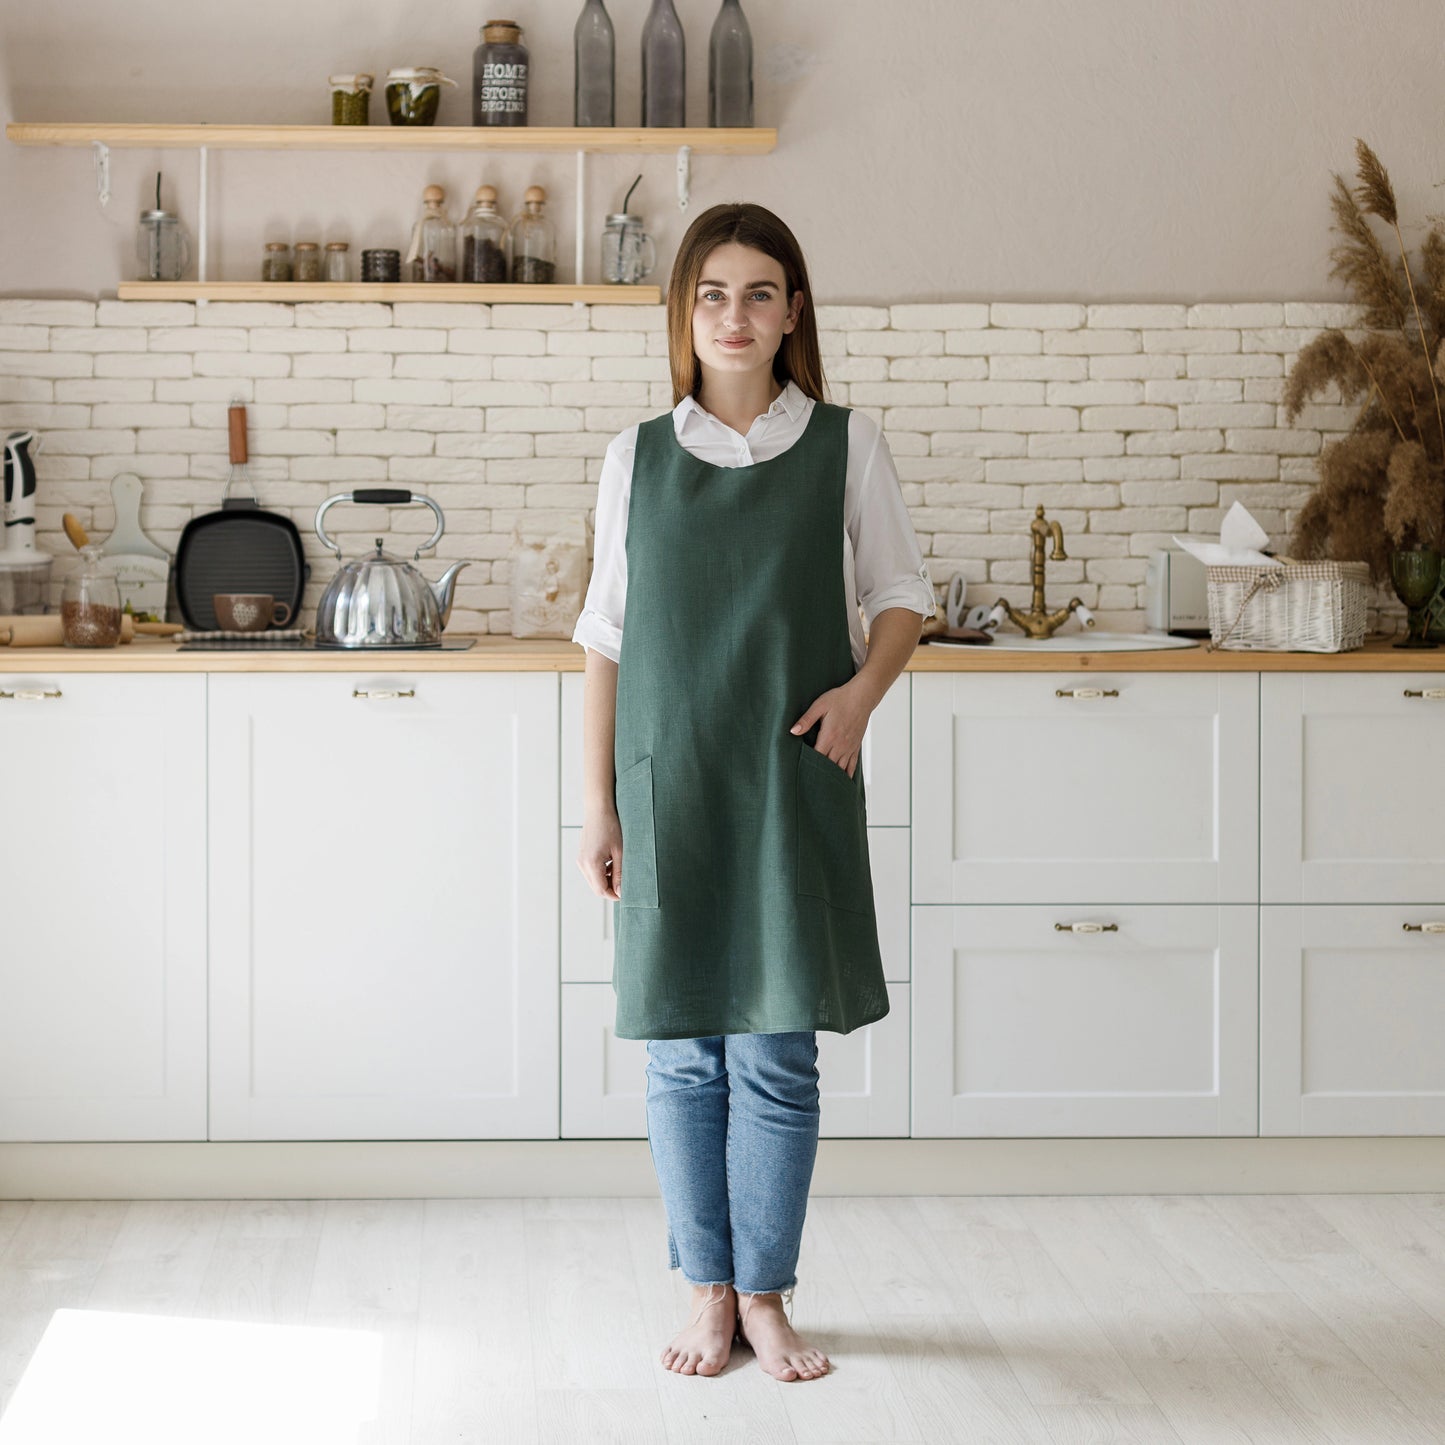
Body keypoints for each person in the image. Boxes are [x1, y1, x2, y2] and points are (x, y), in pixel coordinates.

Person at [572, 202, 936, 1381]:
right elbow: (605, 643)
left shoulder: (846, 443)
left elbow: (899, 596)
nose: (735, 314)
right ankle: (707, 1289)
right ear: (684, 310)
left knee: (775, 1051)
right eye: (712, 292)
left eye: (760, 292)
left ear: (793, 313)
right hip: (669, 784)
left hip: (790, 772)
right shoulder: (634, 455)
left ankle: (768, 1292)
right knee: (683, 1052)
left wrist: (860, 695)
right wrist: (599, 803)